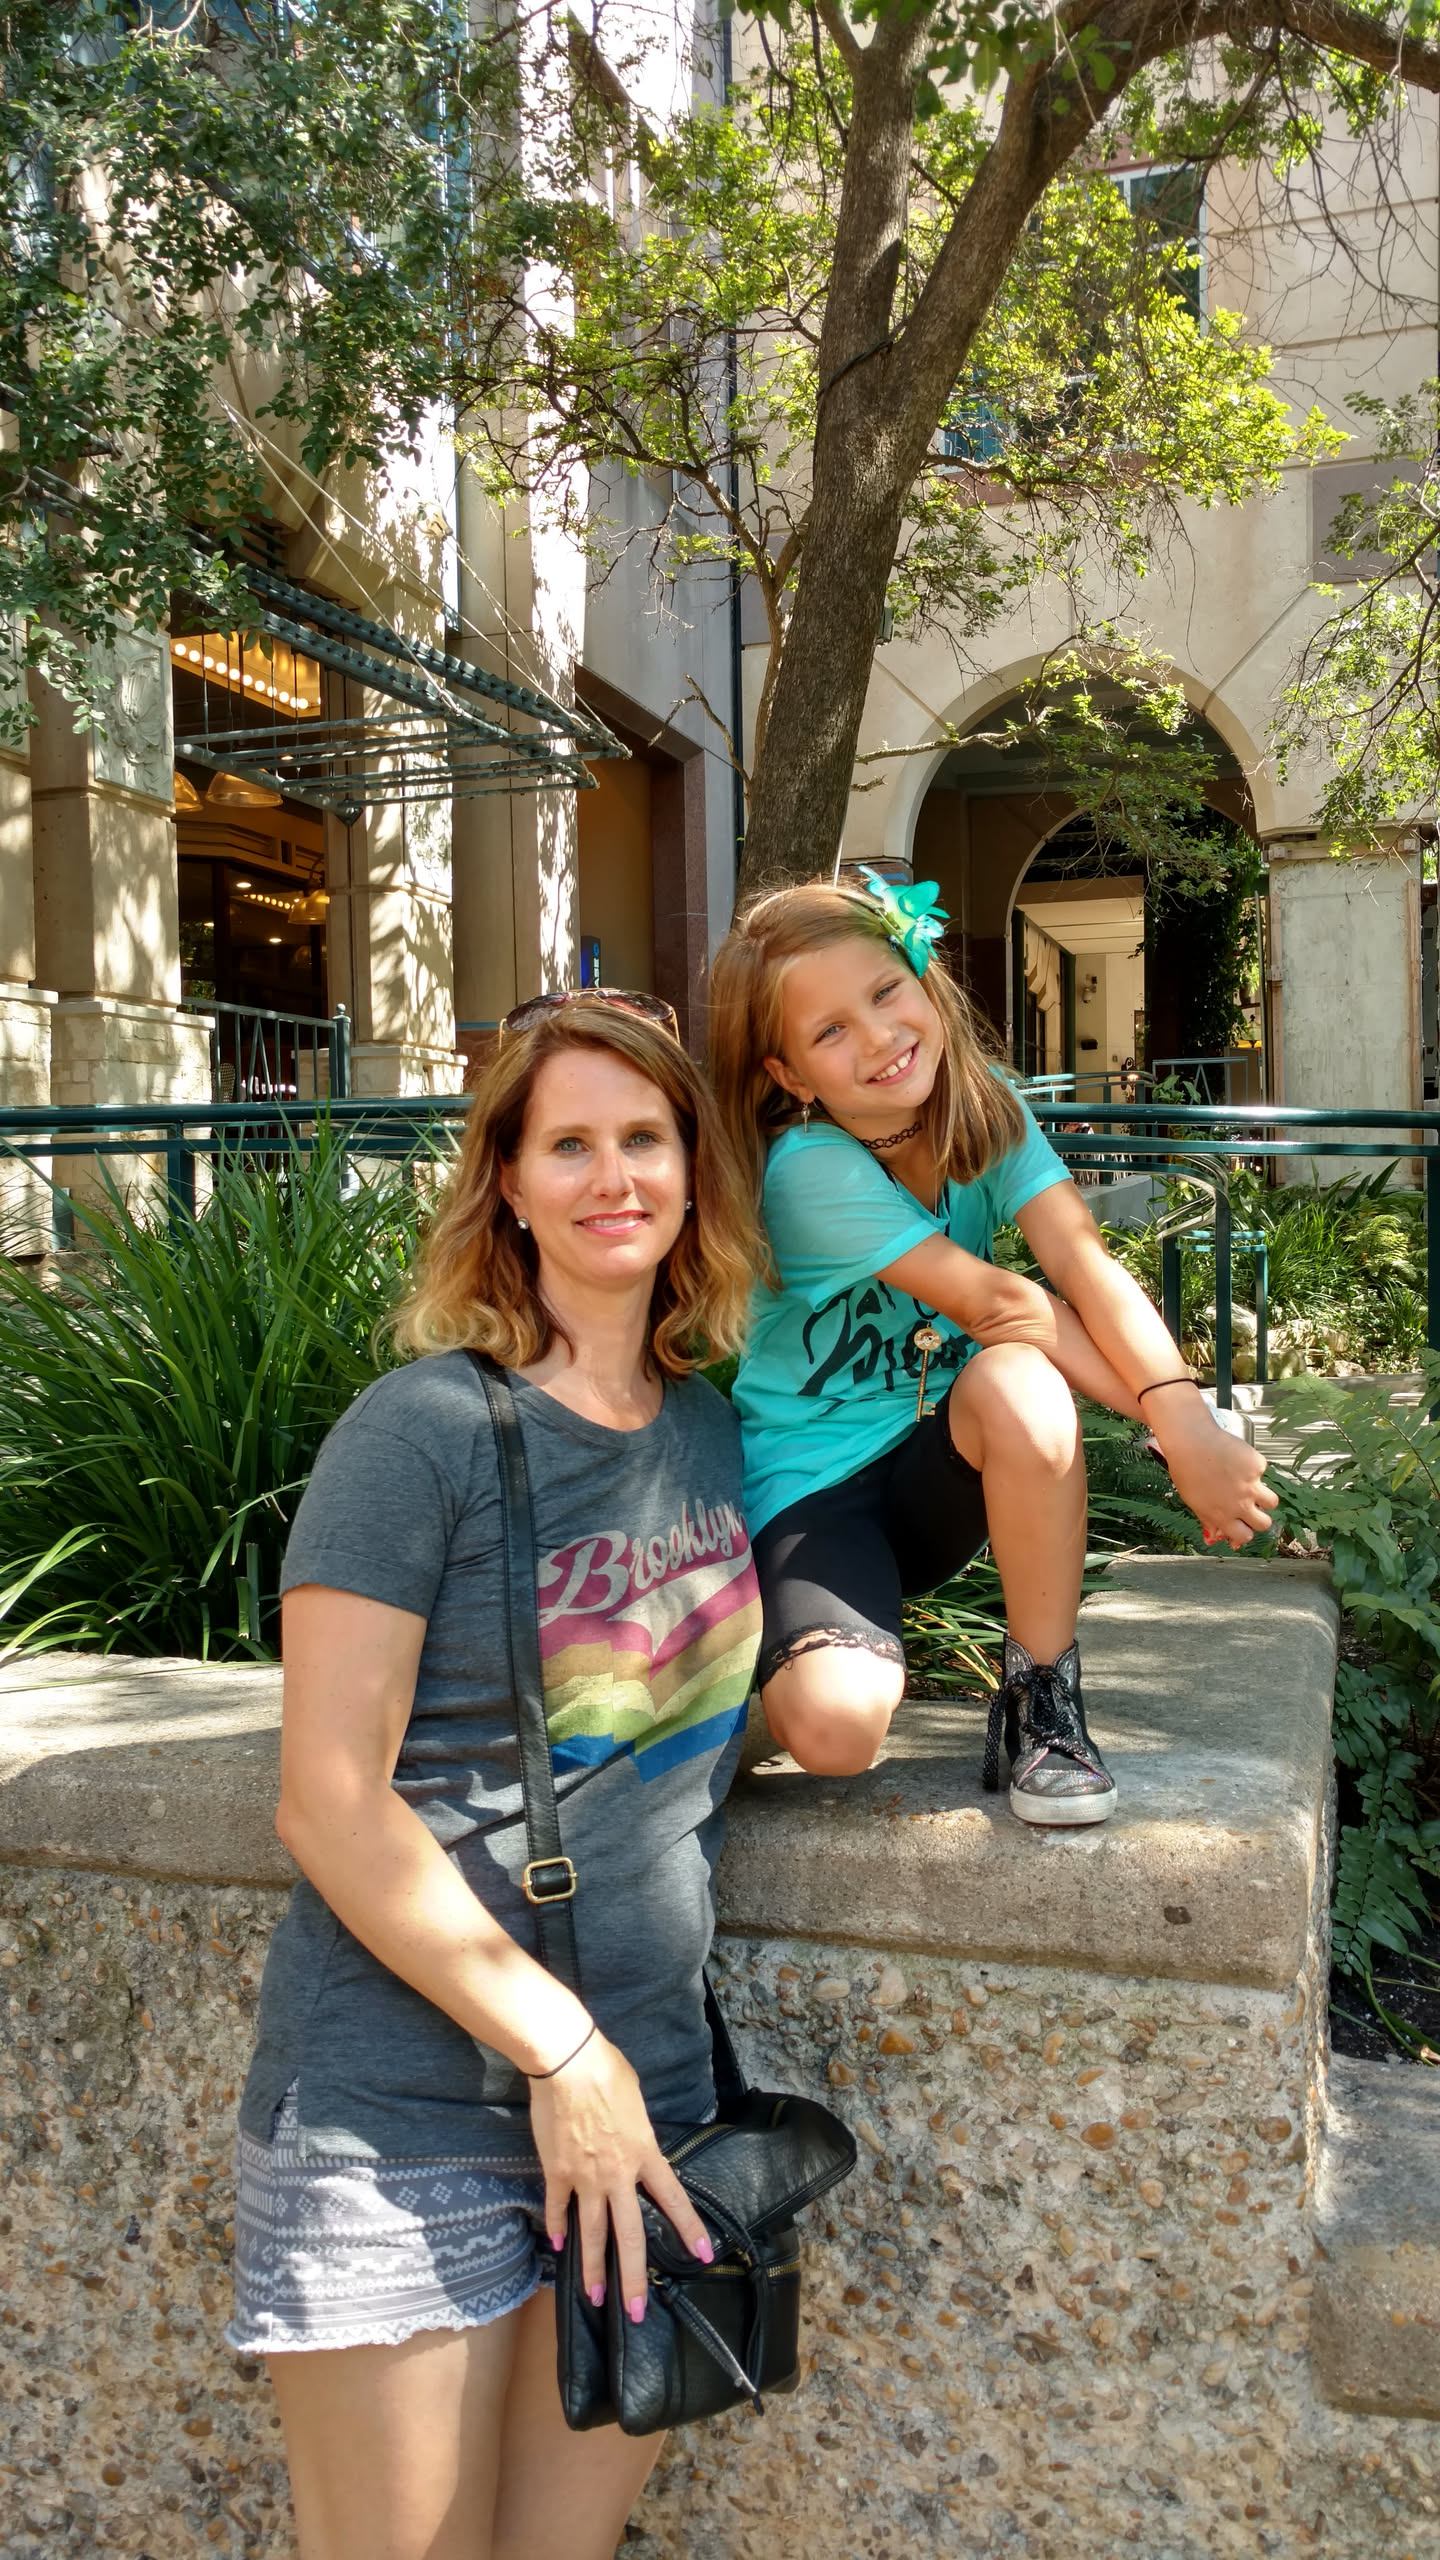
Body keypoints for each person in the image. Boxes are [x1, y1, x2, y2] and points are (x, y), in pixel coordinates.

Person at [226, 996, 762, 2560]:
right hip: (408, 2120)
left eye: (645, 1138)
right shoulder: (422, 1433)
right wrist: (560, 2048)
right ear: (508, 1184)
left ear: (693, 1173)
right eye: (568, 1144)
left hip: (643, 2111)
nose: (614, 1175)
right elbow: (329, 1796)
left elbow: (665, 1726)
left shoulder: (708, 1431)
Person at [708, 873, 1276, 1825]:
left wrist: (1185, 1415)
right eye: (830, 1030)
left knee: (1019, 1385)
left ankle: (1043, 1700)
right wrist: (1183, 1430)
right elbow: (1002, 1303)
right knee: (836, 1733)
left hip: (939, 1469)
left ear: (924, 979)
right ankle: (762, 1659)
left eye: (885, 993)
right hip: (813, 1492)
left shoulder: (986, 1108)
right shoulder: (807, 1169)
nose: (879, 1038)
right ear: (790, 1075)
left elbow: (1082, 1263)